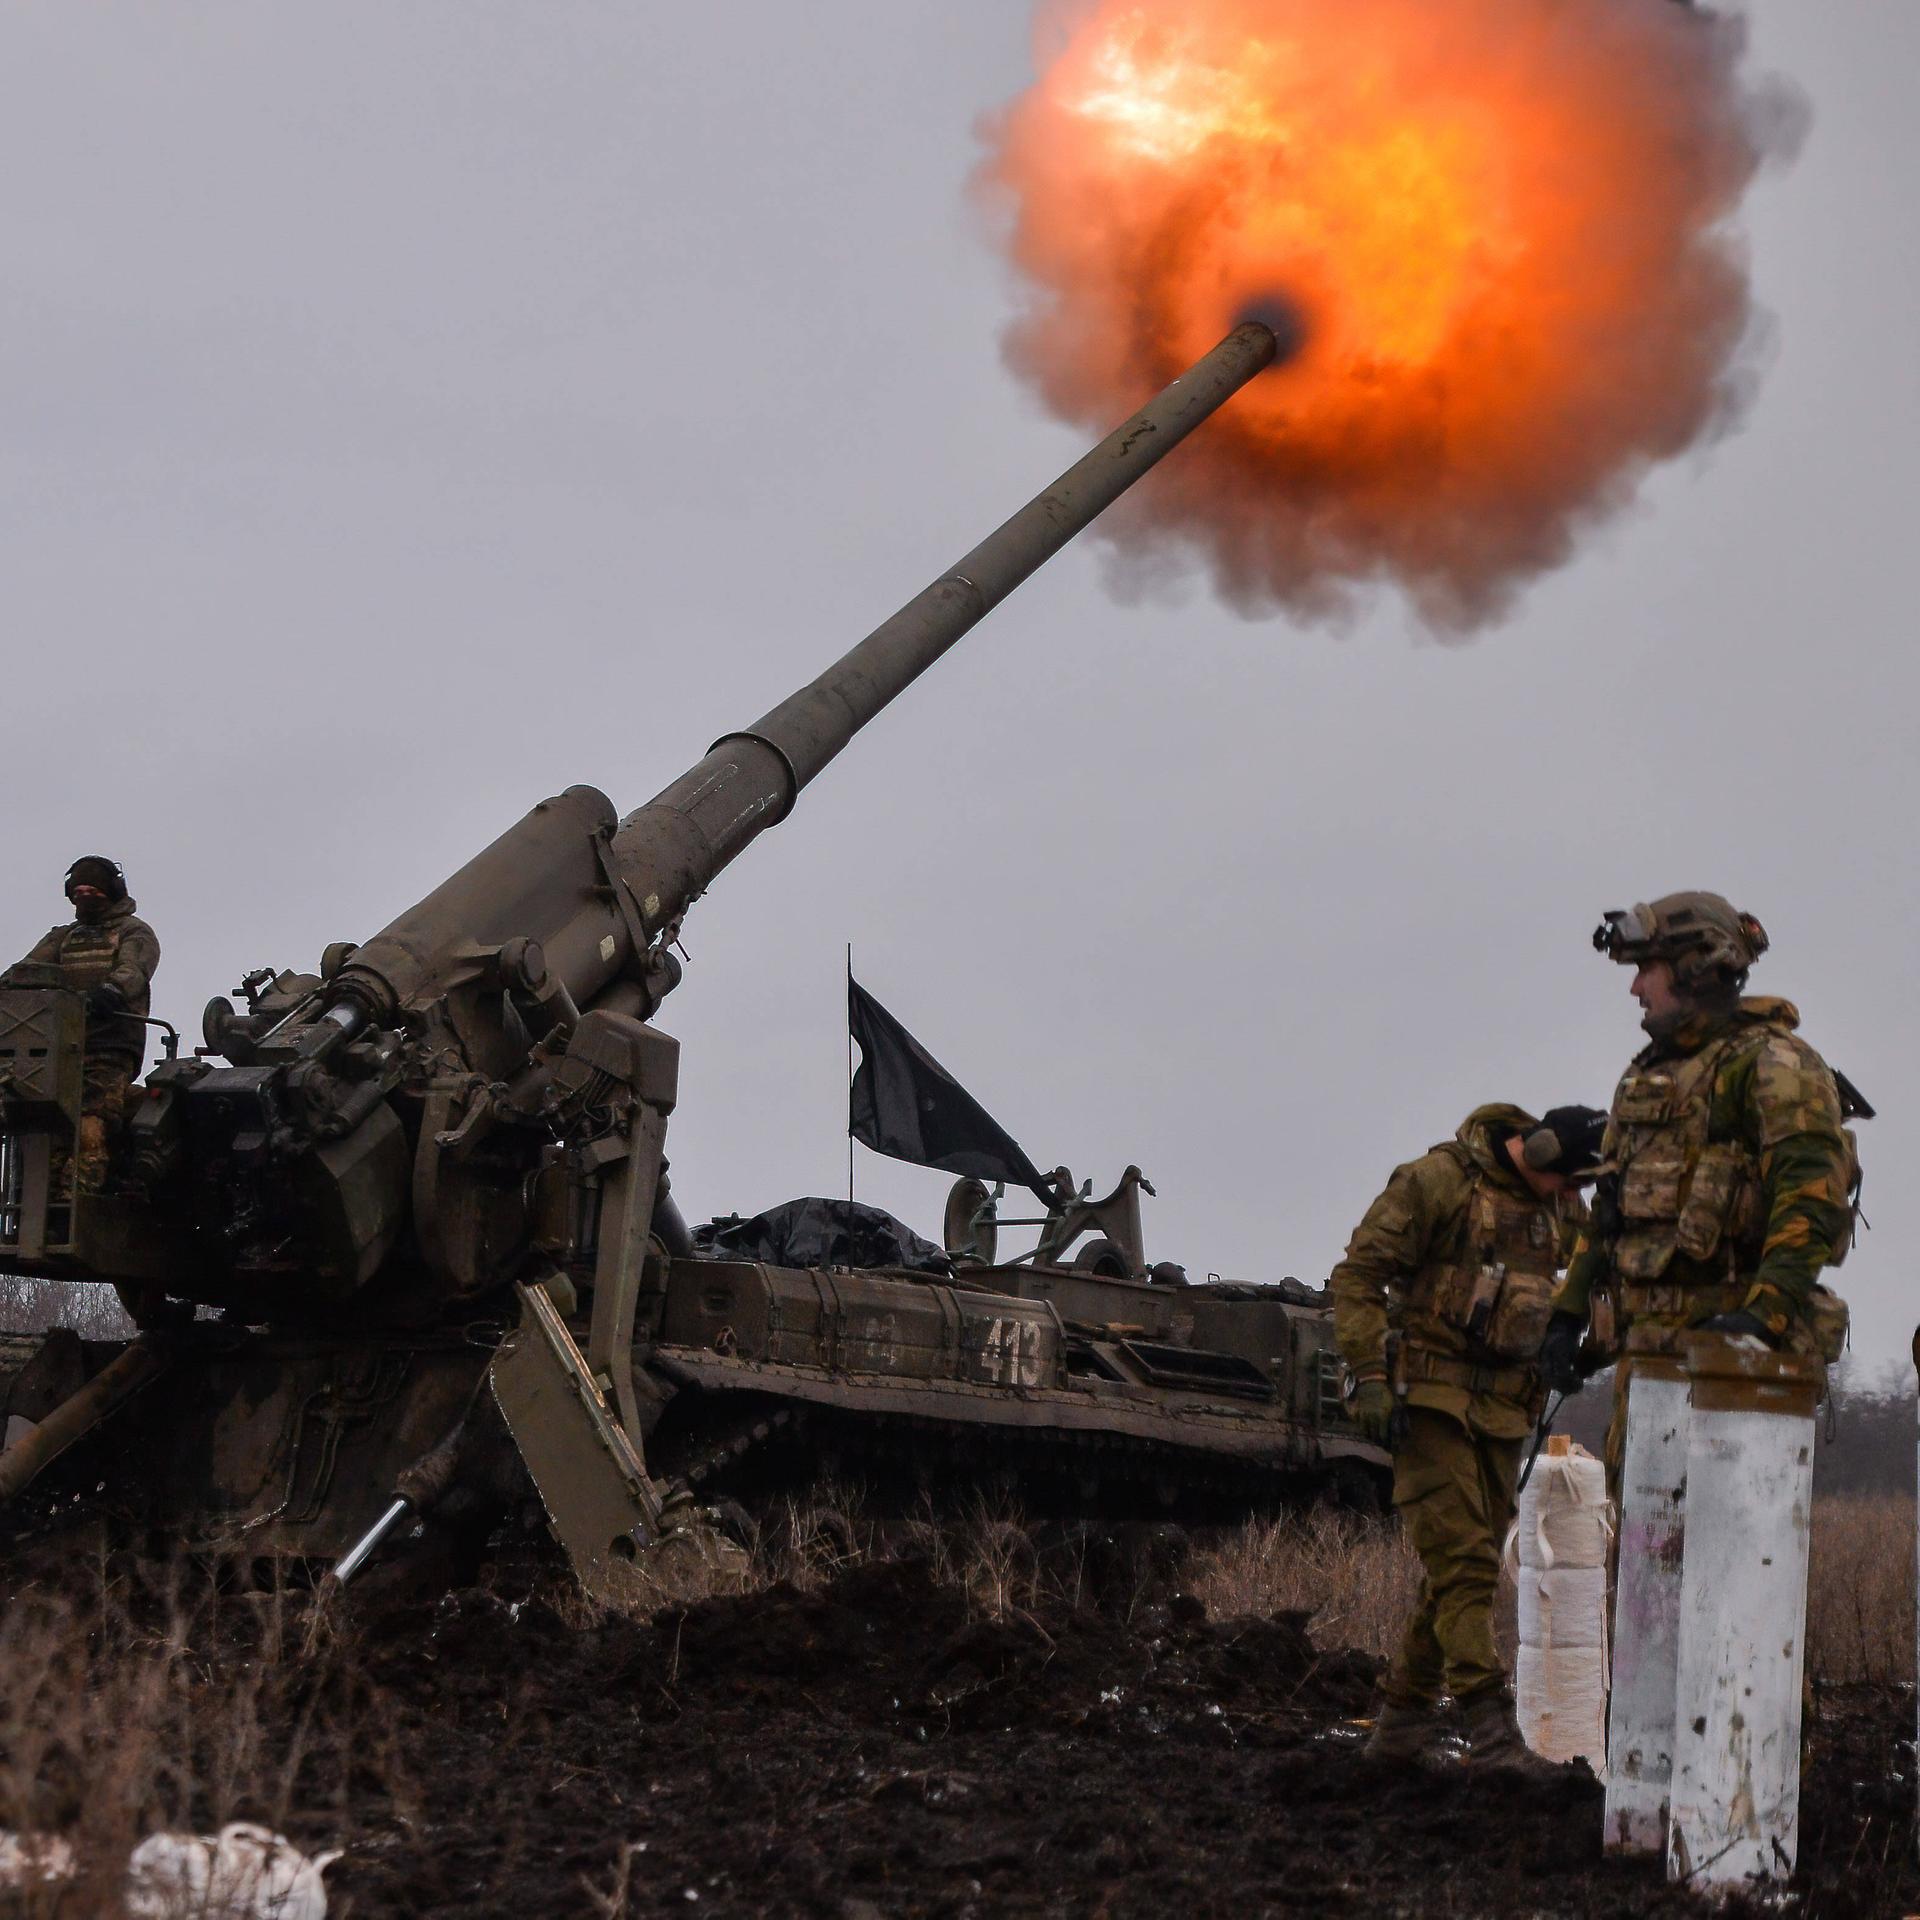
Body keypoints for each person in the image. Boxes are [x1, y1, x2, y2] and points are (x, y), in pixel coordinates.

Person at [1540, 894, 1860, 1476]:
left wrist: (1762, 1320)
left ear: (1695, 966)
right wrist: (1567, 1317)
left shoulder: (1774, 1064)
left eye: (1646, 970)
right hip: (1649, 1363)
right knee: (1641, 1552)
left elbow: (1811, 1201)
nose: (1635, 988)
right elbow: (1608, 1211)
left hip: (1731, 1371)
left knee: (1723, 1553)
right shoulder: (1648, 1074)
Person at [1331, 1100, 1606, 1771]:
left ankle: (1399, 1727)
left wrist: (1577, 1346)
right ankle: (1490, 1731)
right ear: (1537, 1152)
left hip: (1504, 1411)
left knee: (1461, 1569)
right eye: (1567, 1181)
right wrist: (1368, 1373)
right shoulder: (1437, 1183)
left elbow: (1594, 1269)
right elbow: (1358, 1277)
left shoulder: (1560, 1211)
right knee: (1468, 1567)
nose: (1572, 1198)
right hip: (1428, 1402)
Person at [1, 857, 160, 1194]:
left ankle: (80, 1201)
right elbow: (24, 973)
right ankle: (49, 1213)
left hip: (109, 1045)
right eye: (78, 892)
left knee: (90, 1128)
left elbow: (134, 970)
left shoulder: (133, 931)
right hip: (59, 1046)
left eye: (93, 891)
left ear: (112, 893)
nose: (84, 898)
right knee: (49, 1137)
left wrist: (109, 993)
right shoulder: (63, 937)